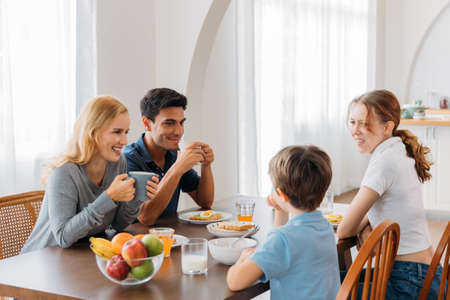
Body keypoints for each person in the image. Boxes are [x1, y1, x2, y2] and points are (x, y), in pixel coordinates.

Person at [337, 89, 442, 299]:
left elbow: (344, 230)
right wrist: (367, 226)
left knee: (320, 283)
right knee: (330, 278)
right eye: (352, 122)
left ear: (387, 127)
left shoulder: (384, 162)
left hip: (409, 282)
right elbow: (378, 208)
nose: (356, 130)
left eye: (364, 123)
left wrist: (365, 229)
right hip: (428, 276)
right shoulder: (397, 150)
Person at [21, 96, 157, 253]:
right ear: (93, 133)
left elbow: (118, 225)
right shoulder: (65, 172)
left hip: (80, 256)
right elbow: (64, 237)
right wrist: (109, 197)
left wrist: (136, 198)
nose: (125, 140)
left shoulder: (118, 163)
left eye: (126, 132)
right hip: (42, 260)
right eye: (117, 132)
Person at [227, 145, 340, 299]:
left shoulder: (283, 240)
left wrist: (242, 258)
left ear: (281, 194)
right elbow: (282, 247)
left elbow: (235, 281)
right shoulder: (324, 227)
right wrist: (280, 210)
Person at [123, 88, 214, 225]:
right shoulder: (128, 159)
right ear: (147, 124)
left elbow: (205, 202)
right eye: (169, 123)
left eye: (181, 123)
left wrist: (206, 165)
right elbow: (145, 217)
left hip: (168, 238)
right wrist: (177, 168)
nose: (178, 131)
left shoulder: (172, 154)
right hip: (134, 241)